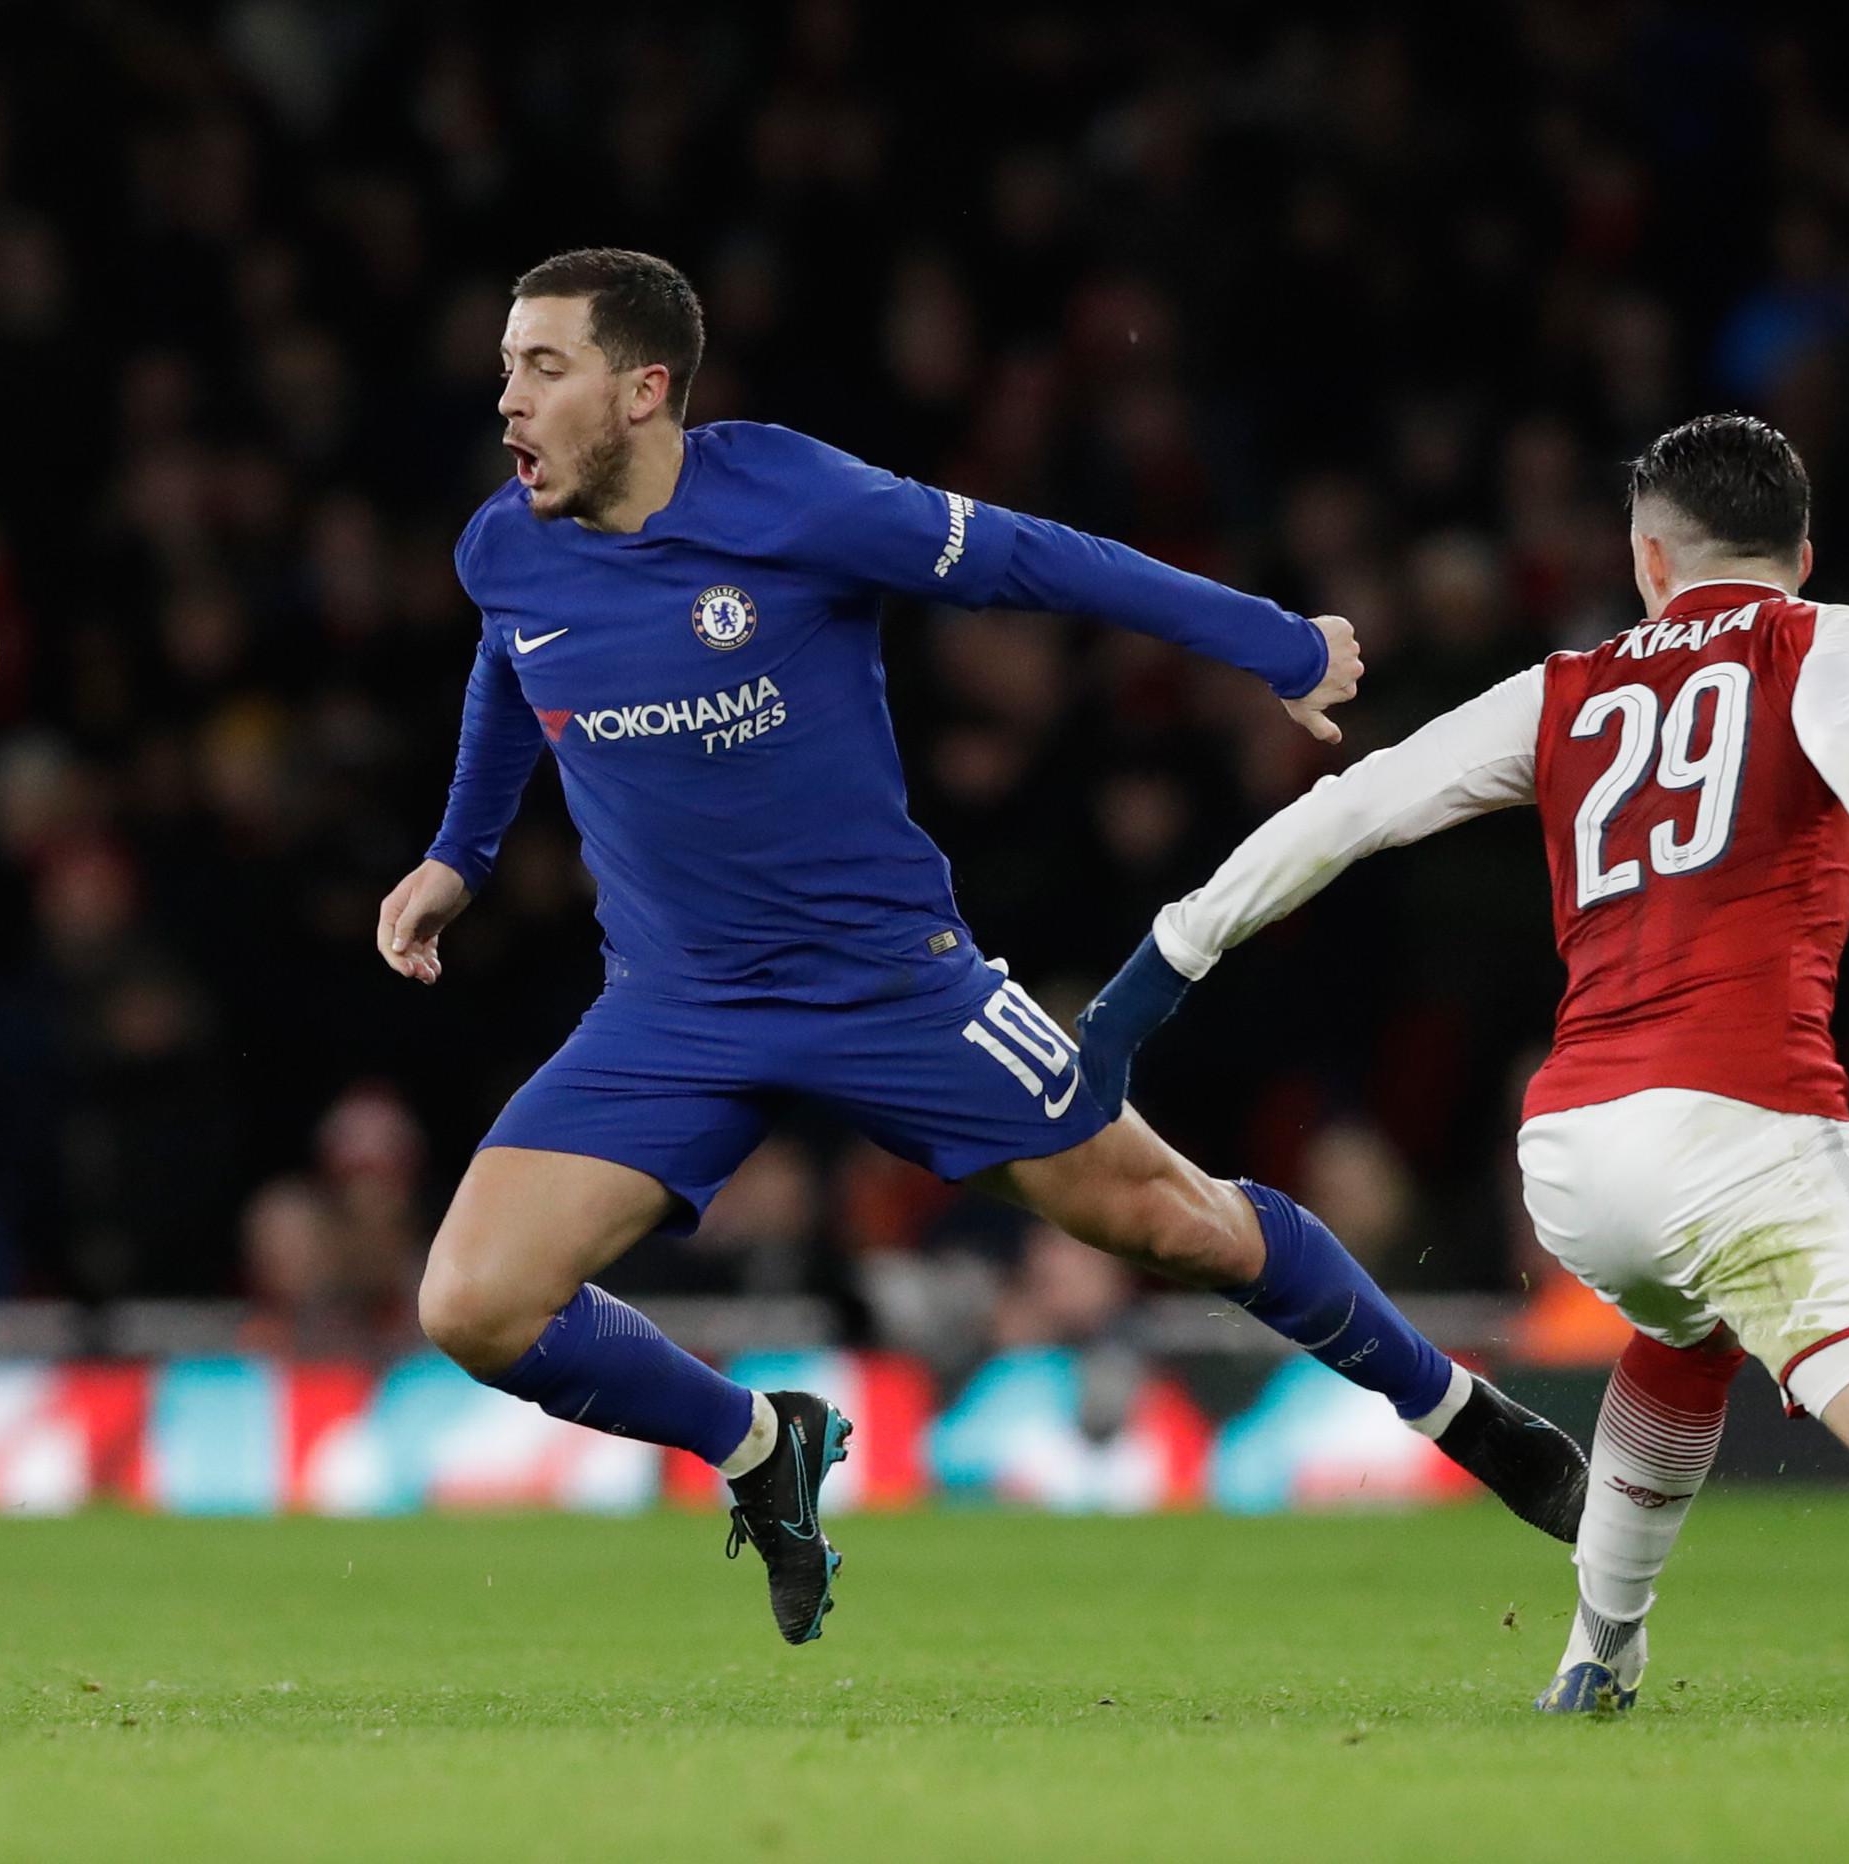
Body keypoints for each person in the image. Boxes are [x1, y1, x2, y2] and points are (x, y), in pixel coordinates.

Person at [373, 248, 1585, 1647]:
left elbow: (1028, 556)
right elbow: (512, 659)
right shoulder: (505, 545)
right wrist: (457, 857)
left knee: (1177, 1221)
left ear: (644, 391)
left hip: (892, 987)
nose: (507, 400)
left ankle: (1456, 1406)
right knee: (473, 1302)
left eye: (544, 366)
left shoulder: (793, 498)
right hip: (676, 1009)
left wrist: (1272, 642)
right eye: (505, 367)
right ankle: (764, 1446)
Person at [1078, 412, 1849, 1721]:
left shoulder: (1563, 689)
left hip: (1575, 1151)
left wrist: (1157, 970)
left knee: (1683, 1328)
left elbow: (1353, 808)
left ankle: (1597, 1652)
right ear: (1800, 555)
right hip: (1746, 1122)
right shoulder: (1836, 639)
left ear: (1649, 559)